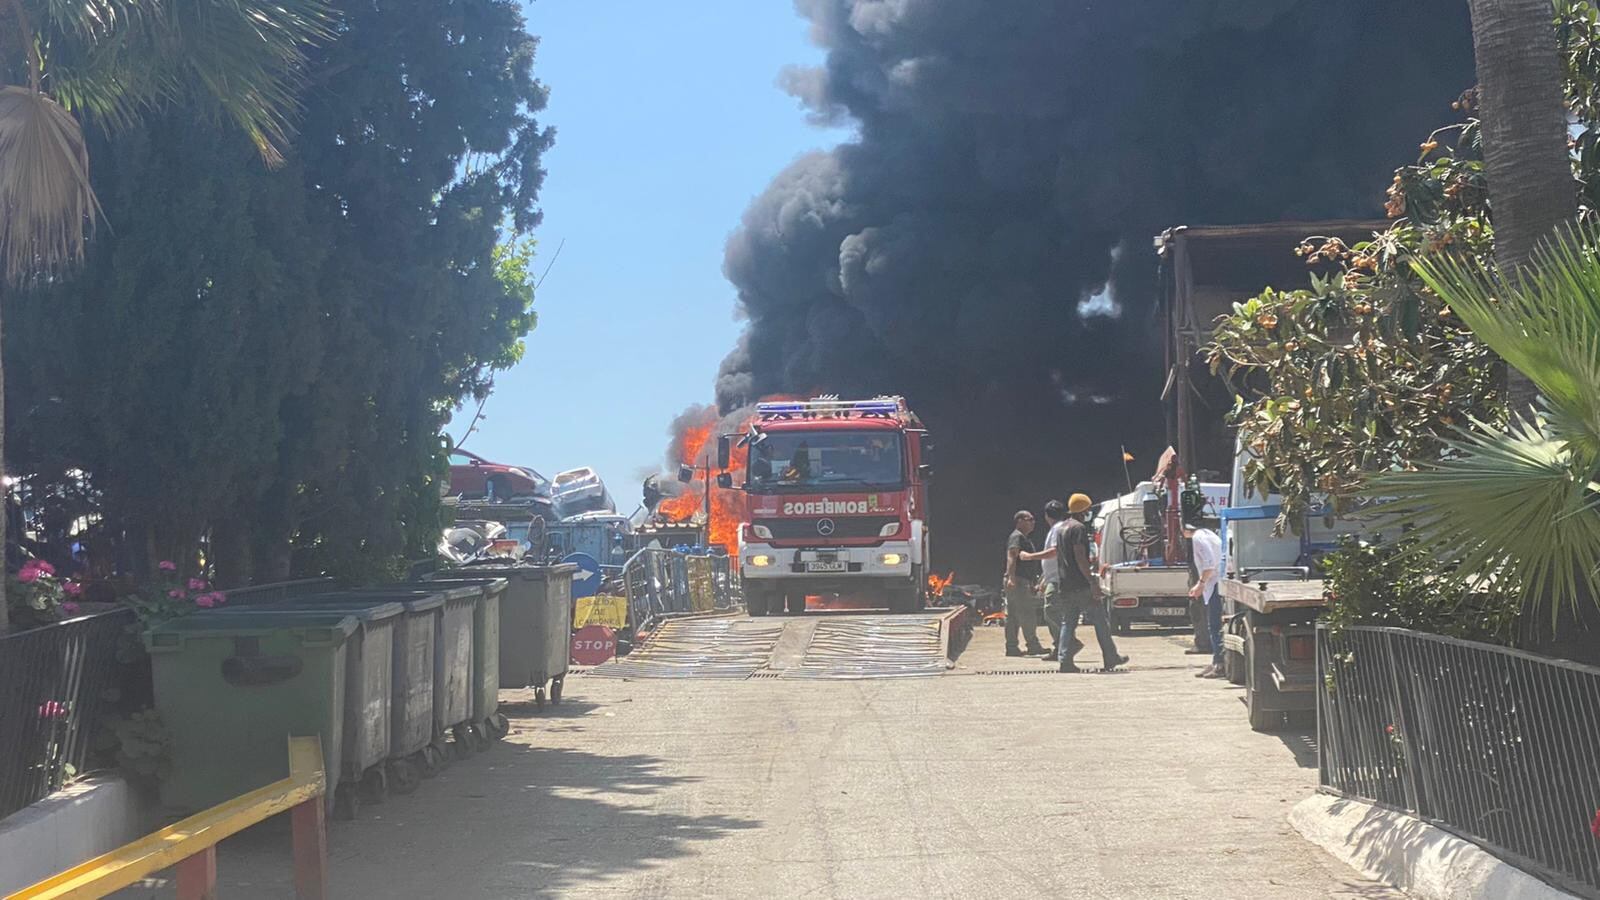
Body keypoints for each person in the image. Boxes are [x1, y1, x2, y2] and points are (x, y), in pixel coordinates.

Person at [1055, 493, 1129, 673]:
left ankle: (1064, 659)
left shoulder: (1061, 528)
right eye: (1087, 509)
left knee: (1068, 622)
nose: (1089, 512)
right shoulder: (1078, 528)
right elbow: (1080, 556)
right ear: (1082, 510)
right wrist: (1091, 581)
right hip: (1081, 584)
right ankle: (1110, 657)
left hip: (1065, 584)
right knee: (1100, 621)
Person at [1019, 500, 1069, 660]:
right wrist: (1043, 581)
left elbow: (1054, 552)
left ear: (1047, 516)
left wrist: (1030, 557)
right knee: (1056, 612)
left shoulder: (1056, 529)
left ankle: (1066, 644)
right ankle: (1062, 647)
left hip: (1057, 579)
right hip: (1053, 577)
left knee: (1051, 611)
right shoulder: (1061, 527)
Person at [1003, 510, 1046, 657]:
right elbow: (1012, 556)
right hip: (1018, 580)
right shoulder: (1017, 537)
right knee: (1027, 613)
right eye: (1030, 519)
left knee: (1014, 615)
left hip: (1022, 580)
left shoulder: (1023, 538)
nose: (1033, 522)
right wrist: (1011, 577)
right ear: (1020, 521)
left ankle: (1012, 647)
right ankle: (1033, 645)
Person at [1188, 518, 1225, 678]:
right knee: (1215, 625)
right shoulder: (1210, 534)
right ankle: (1216, 660)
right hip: (1219, 582)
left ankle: (1219, 664)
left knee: (1214, 626)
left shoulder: (1197, 538)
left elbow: (1209, 565)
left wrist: (1200, 584)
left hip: (1214, 584)